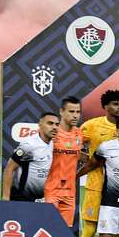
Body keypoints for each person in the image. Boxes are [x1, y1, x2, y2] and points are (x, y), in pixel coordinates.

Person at [79, 89, 119, 237]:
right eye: (115, 103)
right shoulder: (91, 126)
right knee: (90, 229)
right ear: (105, 106)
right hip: (96, 187)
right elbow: (76, 148)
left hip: (118, 189)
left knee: (116, 233)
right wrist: (88, 160)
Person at [2, 112, 58, 201]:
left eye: (57, 124)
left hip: (41, 200)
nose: (54, 127)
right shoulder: (29, 145)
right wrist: (5, 198)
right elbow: (9, 169)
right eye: (50, 123)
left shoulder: (54, 144)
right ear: (40, 125)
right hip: (22, 198)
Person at [44, 97, 82, 227]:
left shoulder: (79, 133)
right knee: (49, 229)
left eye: (78, 112)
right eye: (71, 111)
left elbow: (75, 154)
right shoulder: (51, 133)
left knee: (64, 232)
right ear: (61, 111)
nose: (75, 115)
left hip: (69, 193)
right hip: (51, 190)